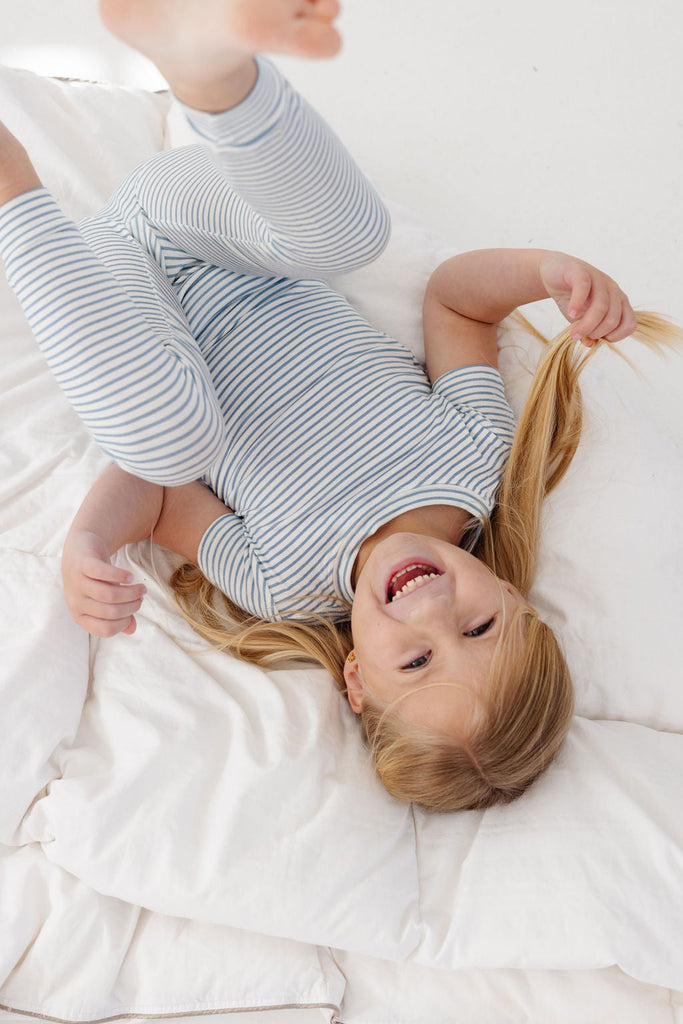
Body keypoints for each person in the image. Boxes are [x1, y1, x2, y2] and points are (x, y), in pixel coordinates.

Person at [0, 0, 674, 812]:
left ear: (355, 677)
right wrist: (545, 270)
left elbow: (160, 499)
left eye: (415, 661)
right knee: (352, 240)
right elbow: (457, 304)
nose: (430, 611)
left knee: (166, 445)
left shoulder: (278, 583)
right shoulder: (472, 458)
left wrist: (91, 540)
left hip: (122, 290)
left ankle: (11, 188)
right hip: (210, 226)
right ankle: (213, 73)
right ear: (515, 603)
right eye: (478, 630)